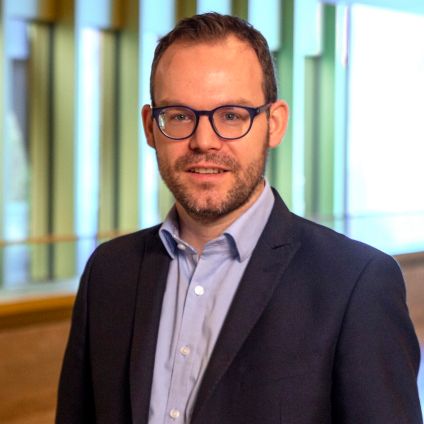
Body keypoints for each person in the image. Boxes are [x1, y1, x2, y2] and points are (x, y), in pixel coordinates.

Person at [56, 12, 422, 424]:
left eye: (231, 115)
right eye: (179, 115)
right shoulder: (108, 272)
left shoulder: (356, 285)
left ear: (274, 124)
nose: (203, 141)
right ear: (150, 127)